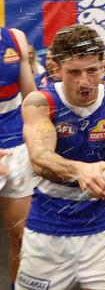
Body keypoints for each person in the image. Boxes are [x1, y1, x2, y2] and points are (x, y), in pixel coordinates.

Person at [16, 24, 105, 290]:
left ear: (103, 65)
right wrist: (81, 170)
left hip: (103, 231)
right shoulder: (39, 102)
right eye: (74, 72)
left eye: (92, 70)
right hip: (47, 232)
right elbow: (39, 157)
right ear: (56, 69)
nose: (85, 81)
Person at [0, 26, 36, 290]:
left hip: (15, 148)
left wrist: (40, 140)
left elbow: (31, 99)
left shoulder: (15, 38)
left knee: (22, 236)